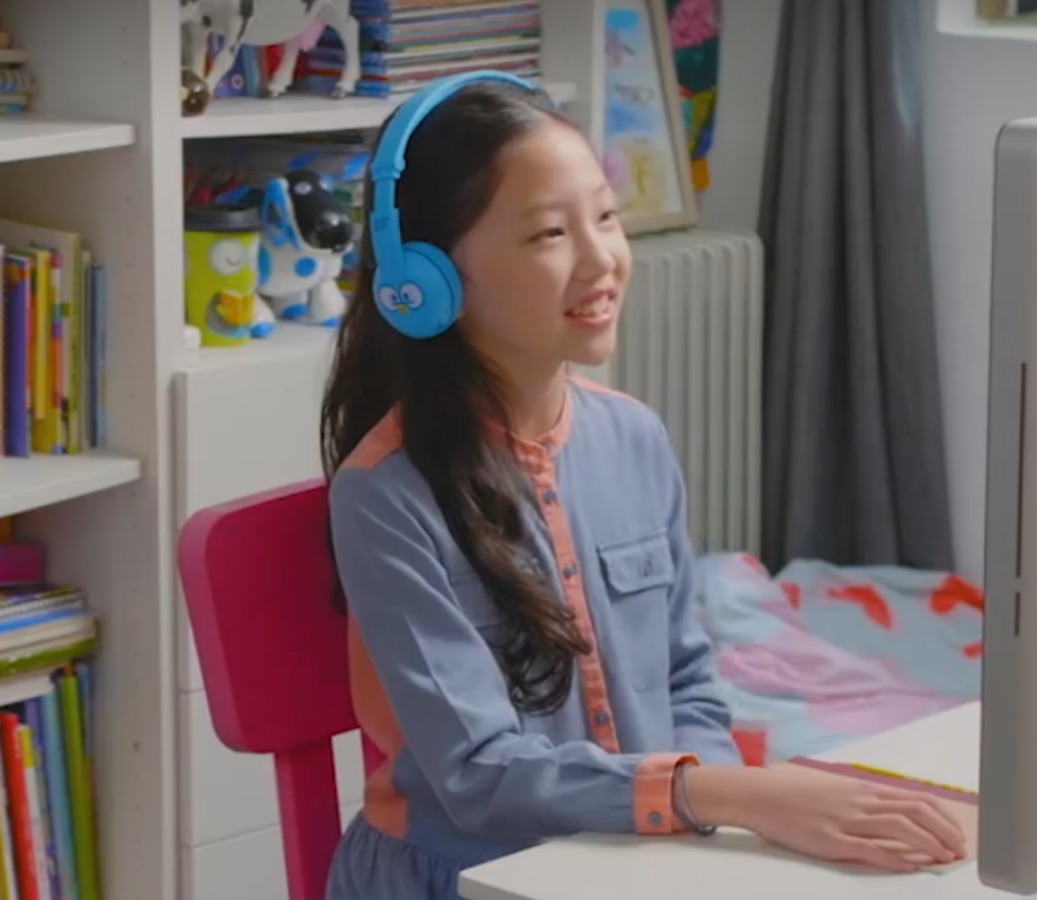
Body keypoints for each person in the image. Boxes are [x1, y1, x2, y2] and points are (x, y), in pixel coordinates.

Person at [318, 71, 968, 900]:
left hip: (640, 859)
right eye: (550, 233)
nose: (602, 260)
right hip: (466, 876)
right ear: (428, 279)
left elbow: (689, 678)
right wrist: (733, 796)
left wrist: (716, 822)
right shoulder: (386, 492)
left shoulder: (634, 437)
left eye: (605, 217)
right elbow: (477, 776)